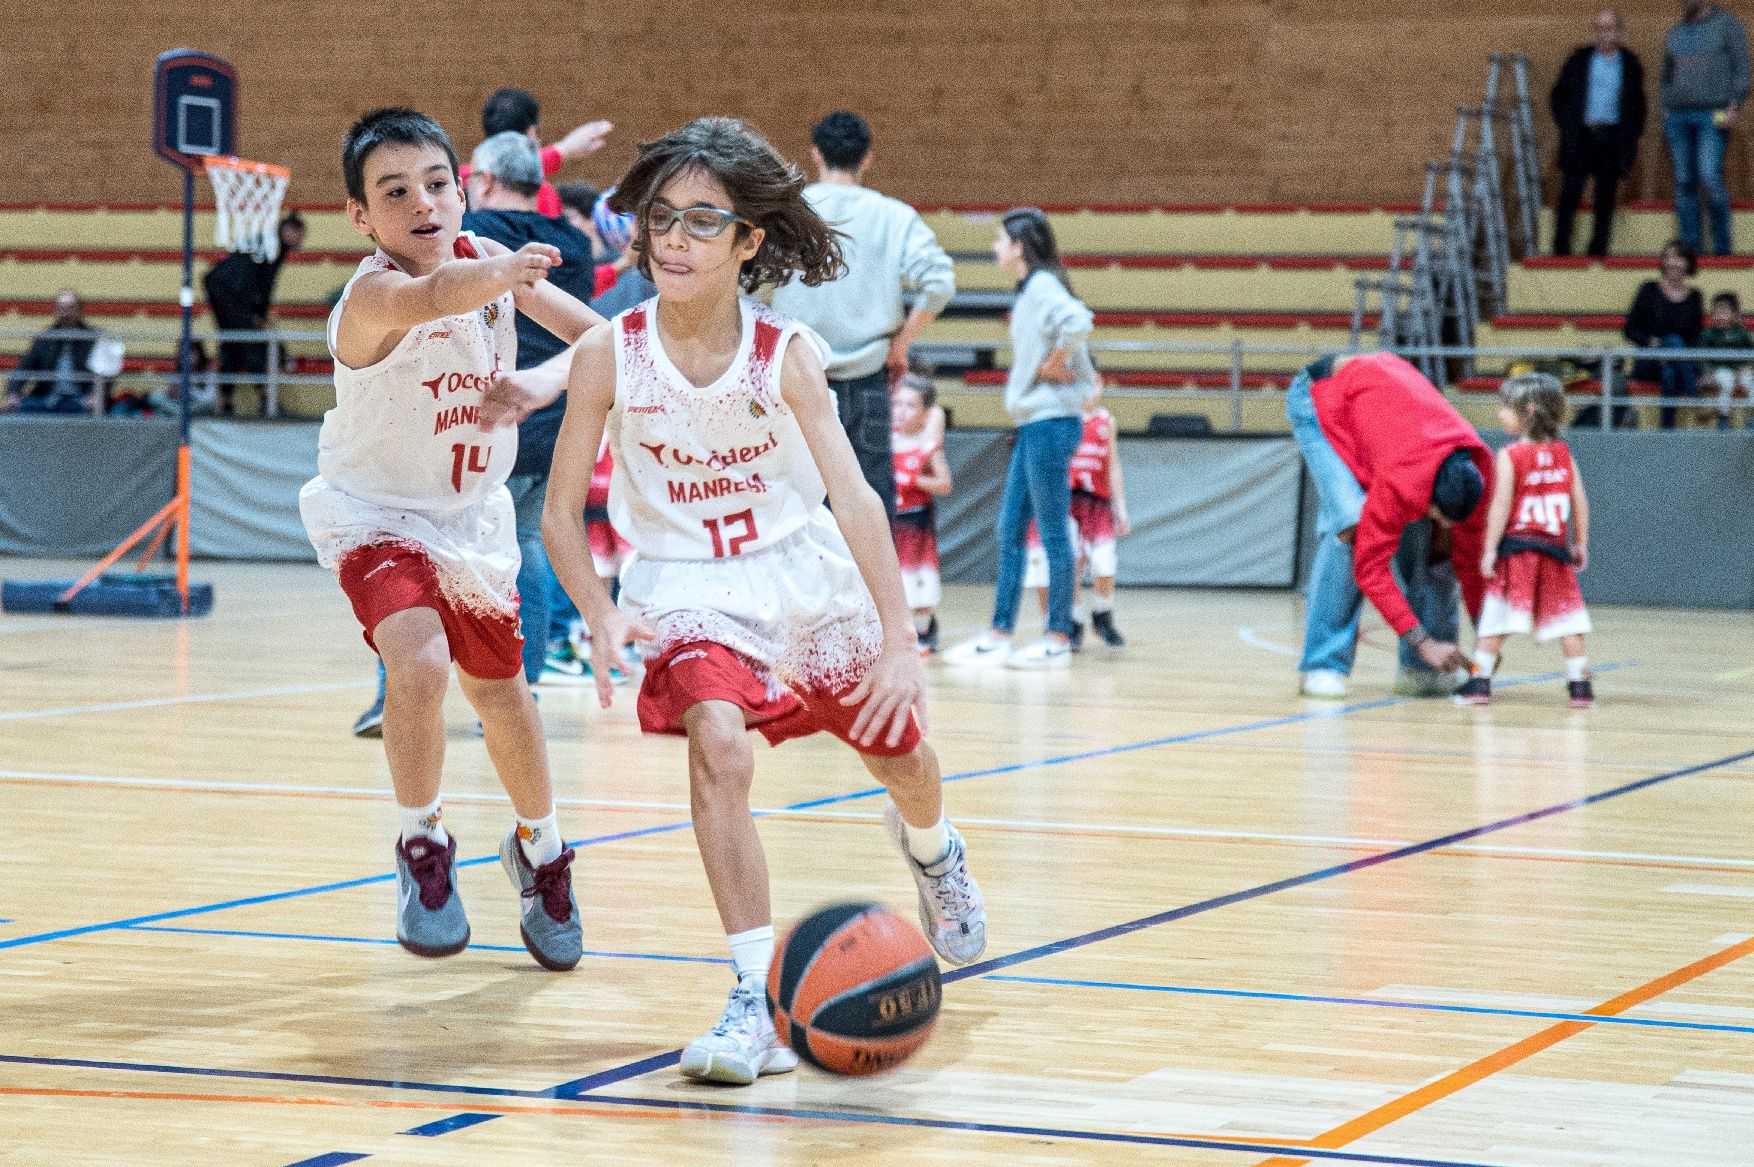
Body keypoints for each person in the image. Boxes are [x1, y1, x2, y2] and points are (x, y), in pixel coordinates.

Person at [489, 116, 986, 1087]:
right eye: (659, 218)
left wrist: (898, 640)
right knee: (716, 741)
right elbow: (556, 516)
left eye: (701, 222)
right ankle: (755, 997)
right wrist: (594, 607)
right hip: (685, 584)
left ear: (748, 240)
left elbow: (854, 496)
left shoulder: (785, 354)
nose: (672, 239)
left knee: (906, 758)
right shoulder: (609, 355)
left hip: (800, 574)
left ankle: (932, 850)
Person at [300, 108, 601, 971]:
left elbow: (602, 341)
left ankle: (541, 851)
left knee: (504, 693)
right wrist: (508, 271)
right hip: (376, 514)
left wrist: (553, 376)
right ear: (362, 217)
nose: (422, 204)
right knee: (421, 662)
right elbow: (435, 296)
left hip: (470, 520)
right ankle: (420, 844)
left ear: (462, 190)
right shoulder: (370, 296)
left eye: (437, 185)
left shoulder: (488, 269)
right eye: (395, 193)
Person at [769, 110, 956, 521]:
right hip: (867, 381)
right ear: (867, 158)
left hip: (796, 378)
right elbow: (939, 282)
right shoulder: (895, 216)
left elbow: (745, 282)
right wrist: (901, 344)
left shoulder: (788, 214)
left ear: (815, 154)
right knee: (867, 507)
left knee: (794, 508)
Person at [1286, 352, 1491, 700]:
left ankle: (1422, 671)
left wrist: (1488, 640)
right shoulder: (1400, 480)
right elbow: (1371, 569)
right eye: (1437, 513)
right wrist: (1421, 640)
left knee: (1439, 544)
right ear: (1425, 494)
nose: (1442, 522)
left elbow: (1470, 563)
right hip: (1324, 398)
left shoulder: (1481, 475)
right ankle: (1323, 664)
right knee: (1349, 526)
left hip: (1382, 406)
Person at [943, 208, 1093, 670]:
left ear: (1019, 246)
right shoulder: (1032, 289)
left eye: (999, 239)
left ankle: (1057, 636)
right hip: (1035, 423)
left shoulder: (1044, 286)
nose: (994, 247)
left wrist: (1059, 359)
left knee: (1051, 533)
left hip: (1050, 422)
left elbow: (1079, 319)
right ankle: (999, 633)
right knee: (1009, 530)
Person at [1456, 373, 1595, 708]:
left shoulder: (1510, 454)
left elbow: (1501, 505)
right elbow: (1580, 500)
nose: (1501, 414)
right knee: (1567, 621)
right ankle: (1579, 686)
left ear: (1528, 410)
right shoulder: (1564, 453)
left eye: (1505, 407)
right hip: (1554, 550)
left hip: (1517, 552)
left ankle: (1479, 682)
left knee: (1495, 620)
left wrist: (1489, 549)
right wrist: (1581, 542)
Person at [1022, 381, 1132, 649]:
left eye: (1093, 384)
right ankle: (1071, 621)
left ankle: (1102, 613)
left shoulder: (1106, 420)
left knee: (1104, 562)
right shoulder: (1057, 418)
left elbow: (1113, 466)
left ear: (1101, 386)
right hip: (1063, 500)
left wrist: (1121, 507)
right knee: (1066, 563)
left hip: (1096, 502)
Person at [1550, 11, 1648, 257]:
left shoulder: (1630, 63)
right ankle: (1560, 249)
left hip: (1612, 138)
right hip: (1582, 136)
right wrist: (1568, 125)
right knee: (1570, 193)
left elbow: (1638, 105)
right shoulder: (1579, 59)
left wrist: (1631, 137)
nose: (1602, 34)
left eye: (1608, 28)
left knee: (1605, 197)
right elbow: (1557, 96)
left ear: (1619, 32)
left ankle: (1598, 251)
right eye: (1598, 29)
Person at [1661, 0, 1750, 255]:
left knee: (1709, 176)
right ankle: (1691, 253)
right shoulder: (1675, 32)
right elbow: (1666, 75)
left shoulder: (1727, 24)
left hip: (1714, 114)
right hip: (1677, 117)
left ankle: (1722, 250)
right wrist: (1665, 107)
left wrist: (1734, 105)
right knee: (1684, 182)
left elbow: (1741, 68)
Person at [201, 213, 305, 416]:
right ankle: (265, 399)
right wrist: (258, 315)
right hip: (228, 291)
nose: (301, 240)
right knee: (248, 339)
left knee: (233, 342)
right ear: (288, 230)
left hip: (227, 289)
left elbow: (258, 281)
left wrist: (259, 314)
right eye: (299, 234)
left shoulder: (268, 242)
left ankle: (227, 402)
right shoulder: (272, 245)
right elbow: (262, 283)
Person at [458, 87, 613, 219]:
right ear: (533, 132)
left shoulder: (455, 181)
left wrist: (561, 151)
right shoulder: (544, 194)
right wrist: (561, 151)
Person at [891, 374, 951, 654]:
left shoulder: (926, 445)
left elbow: (944, 483)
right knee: (892, 580)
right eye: (897, 404)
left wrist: (911, 479)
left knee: (920, 578)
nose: (901, 411)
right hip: (889, 520)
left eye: (910, 406)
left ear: (925, 413)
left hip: (916, 522)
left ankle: (925, 629)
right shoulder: (884, 441)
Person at [1624, 239, 1704, 428]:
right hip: (1649, 358)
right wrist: (1652, 344)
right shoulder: (1649, 289)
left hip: (1676, 364)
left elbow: (1695, 338)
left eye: (1677, 257)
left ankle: (1666, 432)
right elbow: (1630, 329)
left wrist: (1671, 355)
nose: (1671, 262)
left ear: (1688, 263)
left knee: (1669, 372)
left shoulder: (1695, 297)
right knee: (1674, 340)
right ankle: (1693, 392)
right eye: (1667, 257)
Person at [4, 289, 104, 413]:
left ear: (80, 310)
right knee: (17, 409)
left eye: (70, 308)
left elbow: (106, 372)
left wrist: (94, 395)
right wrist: (12, 393)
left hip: (81, 399)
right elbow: (23, 368)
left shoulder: (94, 338)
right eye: (61, 308)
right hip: (47, 399)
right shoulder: (44, 338)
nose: (65, 314)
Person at [1698, 289, 1753, 426]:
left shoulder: (1741, 334)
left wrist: (1748, 366)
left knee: (1750, 382)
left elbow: (1750, 353)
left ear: (1734, 314)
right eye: (1717, 311)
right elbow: (1701, 356)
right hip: (1719, 369)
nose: (1721, 315)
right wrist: (1707, 373)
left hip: (1740, 369)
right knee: (1726, 382)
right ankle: (1723, 418)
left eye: (1725, 311)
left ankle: (1751, 417)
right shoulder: (1708, 334)